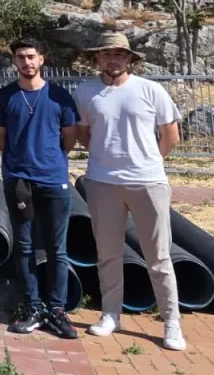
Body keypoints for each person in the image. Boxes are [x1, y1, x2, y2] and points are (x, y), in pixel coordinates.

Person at [75, 33, 186, 351]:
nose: (113, 60)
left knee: (158, 255)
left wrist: (150, 161)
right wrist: (105, 158)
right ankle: (111, 314)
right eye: (106, 54)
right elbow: (84, 133)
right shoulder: (85, 92)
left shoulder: (151, 90)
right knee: (107, 253)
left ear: (130, 59)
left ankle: (171, 322)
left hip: (147, 182)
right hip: (102, 182)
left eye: (120, 54)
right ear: (97, 58)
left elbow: (170, 134)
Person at [0, 37, 80, 339]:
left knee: (57, 249)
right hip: (19, 181)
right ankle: (32, 307)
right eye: (20, 57)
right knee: (24, 246)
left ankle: (56, 310)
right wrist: (20, 164)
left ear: (42, 59)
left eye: (31, 56)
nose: (26, 62)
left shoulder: (59, 97)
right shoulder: (4, 98)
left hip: (53, 180)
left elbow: (69, 138)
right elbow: (0, 138)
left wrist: (51, 160)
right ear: (13, 62)